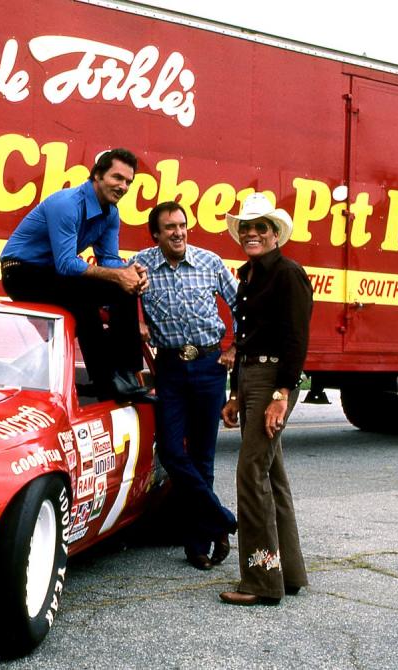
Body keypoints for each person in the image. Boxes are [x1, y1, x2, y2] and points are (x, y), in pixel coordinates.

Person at [130, 201, 238, 570]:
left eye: (182, 225)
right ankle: (220, 519)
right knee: (173, 452)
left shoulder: (209, 262)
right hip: (171, 368)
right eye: (170, 228)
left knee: (203, 457)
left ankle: (197, 545)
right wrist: (137, 322)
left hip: (209, 365)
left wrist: (236, 347)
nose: (178, 233)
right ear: (156, 234)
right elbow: (122, 302)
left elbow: (242, 305)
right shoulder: (140, 265)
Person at [219, 192, 312, 606]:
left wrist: (281, 395)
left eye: (260, 227)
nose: (251, 233)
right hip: (251, 376)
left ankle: (260, 581)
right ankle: (288, 573)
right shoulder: (250, 274)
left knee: (250, 473)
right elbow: (245, 340)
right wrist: (236, 393)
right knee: (272, 476)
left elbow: (296, 340)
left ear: (275, 234)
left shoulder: (288, 273)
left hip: (274, 377)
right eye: (246, 227)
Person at [0, 148, 149, 401]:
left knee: (122, 289)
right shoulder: (67, 204)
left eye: (128, 182)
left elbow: (109, 259)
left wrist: (129, 273)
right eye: (117, 178)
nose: (123, 186)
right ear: (98, 176)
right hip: (20, 271)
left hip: (53, 274)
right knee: (84, 301)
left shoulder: (111, 214)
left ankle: (127, 373)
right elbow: (67, 264)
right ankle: (105, 382)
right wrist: (118, 275)